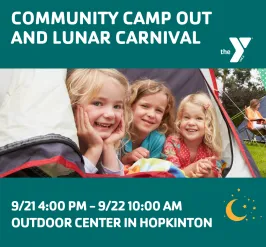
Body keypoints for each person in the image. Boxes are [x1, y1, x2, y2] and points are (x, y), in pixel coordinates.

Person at [66, 69, 132, 175]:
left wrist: (109, 146)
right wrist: (94, 149)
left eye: (117, 106)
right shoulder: (60, 148)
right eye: (97, 103)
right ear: (73, 106)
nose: (110, 114)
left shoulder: (108, 144)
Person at [163, 92, 223, 178]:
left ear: (209, 123)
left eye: (199, 118)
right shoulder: (172, 142)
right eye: (186, 117)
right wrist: (194, 167)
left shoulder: (211, 147)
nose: (191, 123)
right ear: (180, 120)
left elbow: (218, 175)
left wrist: (207, 173)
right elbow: (172, 175)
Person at [121, 79, 176, 165]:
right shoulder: (118, 132)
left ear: (164, 115)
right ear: (130, 106)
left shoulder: (158, 139)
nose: (151, 115)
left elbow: (152, 170)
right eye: (145, 106)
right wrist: (126, 159)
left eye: (158, 110)